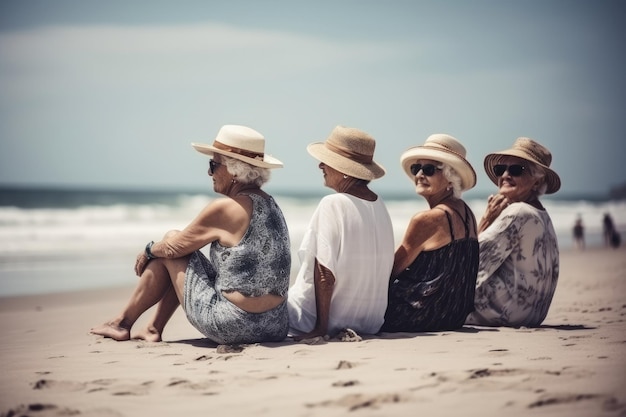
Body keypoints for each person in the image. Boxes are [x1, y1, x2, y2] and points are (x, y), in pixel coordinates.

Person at [91, 125, 291, 345]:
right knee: (179, 249)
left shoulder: (226, 208)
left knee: (171, 239)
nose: (209, 173)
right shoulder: (272, 205)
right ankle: (151, 328)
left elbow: (173, 248)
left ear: (235, 170)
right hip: (276, 325)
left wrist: (148, 250)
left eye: (213, 165)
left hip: (234, 325)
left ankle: (122, 323)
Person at [287, 126, 395, 341]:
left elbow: (325, 273)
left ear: (344, 168)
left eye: (326, 161)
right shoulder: (380, 204)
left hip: (321, 320)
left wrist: (320, 328)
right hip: (371, 322)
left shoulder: (333, 203)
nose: (320, 165)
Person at [381, 134, 479, 333]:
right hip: (455, 315)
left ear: (451, 177)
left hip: (421, 314)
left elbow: (392, 270)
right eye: (416, 168)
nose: (419, 175)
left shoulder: (427, 219)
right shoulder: (467, 213)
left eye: (429, 169)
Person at [465, 137, 561, 328]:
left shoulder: (517, 212)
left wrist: (486, 219)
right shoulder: (542, 214)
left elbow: (468, 258)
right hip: (534, 314)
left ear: (537, 181)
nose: (506, 175)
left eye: (516, 170)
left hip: (506, 313)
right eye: (501, 169)